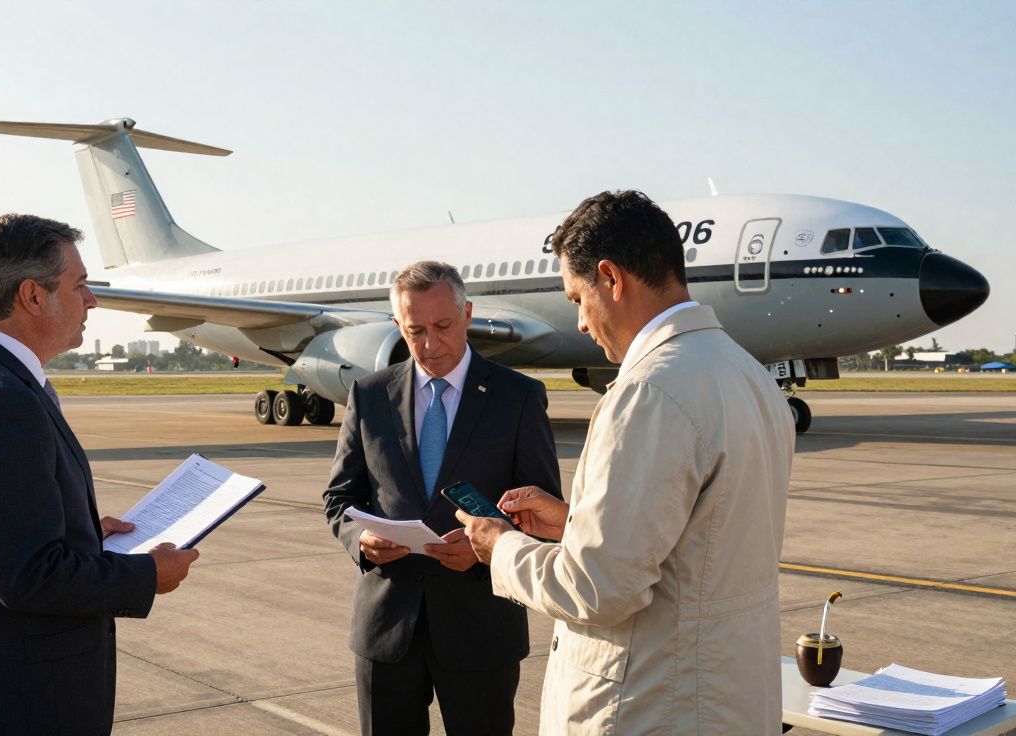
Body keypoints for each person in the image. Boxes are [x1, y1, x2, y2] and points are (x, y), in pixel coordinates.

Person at [456, 191, 795, 735]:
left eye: (575, 299)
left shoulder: (649, 391)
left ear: (611, 279)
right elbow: (699, 542)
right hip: (728, 698)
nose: (583, 323)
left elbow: (596, 588)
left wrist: (500, 548)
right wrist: (577, 522)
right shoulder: (747, 375)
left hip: (652, 706)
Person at [0, 214, 199, 735]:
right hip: (18, 707)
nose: (92, 301)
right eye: (79, 284)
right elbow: (29, 577)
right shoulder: (1, 402)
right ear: (33, 297)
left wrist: (81, 528)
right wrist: (148, 575)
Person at [323, 261, 562, 736]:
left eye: (443, 326)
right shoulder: (369, 395)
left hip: (480, 629)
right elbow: (339, 497)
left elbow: (544, 508)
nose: (431, 343)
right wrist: (362, 540)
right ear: (397, 326)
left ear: (468, 314)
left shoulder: (517, 397)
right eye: (415, 331)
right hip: (386, 627)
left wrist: (485, 551)